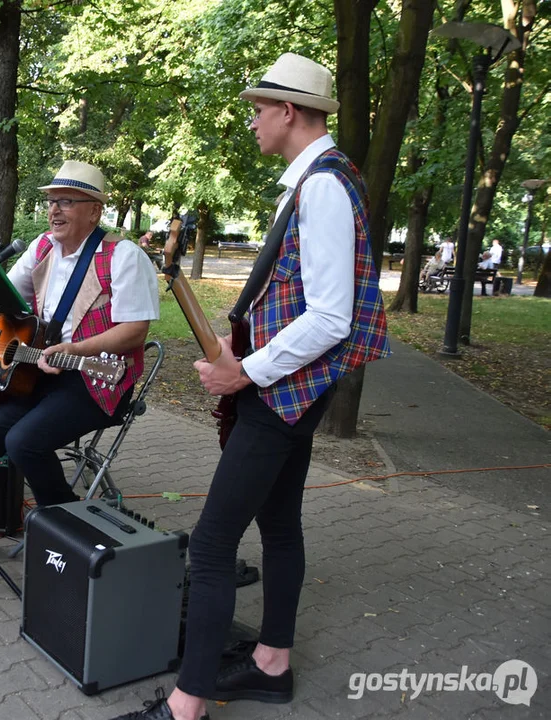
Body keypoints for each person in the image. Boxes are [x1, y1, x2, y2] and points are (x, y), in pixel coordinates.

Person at [113, 54, 390, 720]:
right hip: (291, 390)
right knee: (279, 524)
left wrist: (246, 369)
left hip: (280, 393)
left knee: (210, 545)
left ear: (288, 111)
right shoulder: (320, 179)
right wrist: (244, 344)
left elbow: (329, 315)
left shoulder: (321, 187)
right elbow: (295, 295)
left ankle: (188, 702)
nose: (252, 123)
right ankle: (270, 663)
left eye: (257, 110)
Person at [0, 160, 160, 562]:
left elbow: (135, 331)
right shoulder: (43, 246)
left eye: (66, 201)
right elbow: (4, 301)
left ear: (95, 210)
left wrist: (76, 350)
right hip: (42, 374)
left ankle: (70, 532)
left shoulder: (124, 256)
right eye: (51, 201)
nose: (54, 210)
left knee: (23, 442)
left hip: (97, 379)